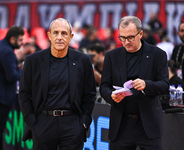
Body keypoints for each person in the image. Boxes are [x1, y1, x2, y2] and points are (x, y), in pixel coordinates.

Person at [18, 18, 96, 150]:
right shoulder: (33, 60)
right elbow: (24, 94)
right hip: (43, 123)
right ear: (49, 35)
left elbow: (90, 94)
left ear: (71, 37)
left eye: (64, 33)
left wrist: (83, 123)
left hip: (72, 124)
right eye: (56, 33)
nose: (59, 37)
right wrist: (32, 123)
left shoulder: (83, 60)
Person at [100, 16, 169, 150]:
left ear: (141, 34)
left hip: (148, 125)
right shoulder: (111, 56)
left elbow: (164, 85)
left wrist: (146, 85)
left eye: (131, 37)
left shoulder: (157, 54)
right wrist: (112, 96)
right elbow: (104, 86)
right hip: (121, 124)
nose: (126, 42)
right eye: (122, 37)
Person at [0, 26, 24, 150]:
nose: (22, 43)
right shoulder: (7, 52)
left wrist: (16, 65)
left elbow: (2, 68)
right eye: (20, 40)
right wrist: (24, 70)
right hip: (0, 96)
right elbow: (11, 77)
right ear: (13, 38)